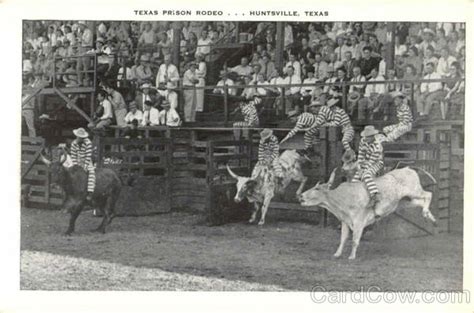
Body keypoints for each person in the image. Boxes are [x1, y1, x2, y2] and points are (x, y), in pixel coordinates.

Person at [352, 125, 384, 217]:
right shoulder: (363, 141)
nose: (365, 139)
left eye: (368, 137)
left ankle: (375, 195)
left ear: (373, 137)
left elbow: (372, 161)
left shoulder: (377, 146)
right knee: (355, 178)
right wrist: (359, 167)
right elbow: (361, 155)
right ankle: (354, 196)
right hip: (365, 161)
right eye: (365, 137)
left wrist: (364, 170)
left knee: (366, 175)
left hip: (376, 162)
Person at [70, 127, 95, 201]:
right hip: (77, 161)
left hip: (86, 161)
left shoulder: (88, 143)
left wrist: (85, 166)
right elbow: (73, 155)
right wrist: (76, 165)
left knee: (91, 173)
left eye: (81, 137)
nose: (79, 138)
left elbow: (88, 155)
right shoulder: (73, 143)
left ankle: (90, 192)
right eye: (78, 137)